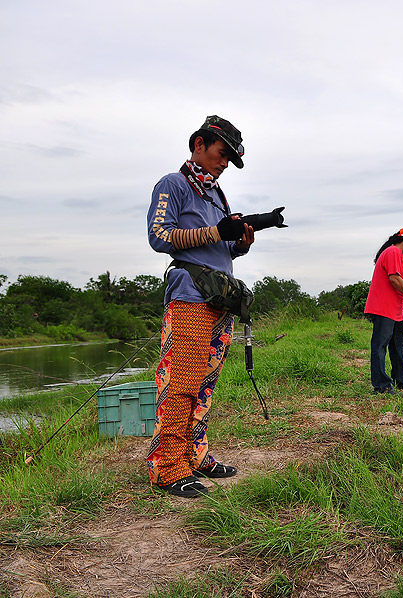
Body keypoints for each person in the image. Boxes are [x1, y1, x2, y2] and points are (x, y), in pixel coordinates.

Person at [145, 115, 254, 498]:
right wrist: (215, 232)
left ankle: (196, 453)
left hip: (219, 297)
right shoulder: (173, 184)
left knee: (205, 385)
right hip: (190, 296)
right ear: (199, 144)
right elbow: (160, 237)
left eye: (230, 159)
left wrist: (238, 243)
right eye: (222, 154)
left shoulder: (217, 195)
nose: (224, 164)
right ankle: (167, 467)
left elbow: (219, 250)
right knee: (183, 382)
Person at [363, 228, 403, 394]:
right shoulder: (393, 252)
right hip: (383, 308)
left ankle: (401, 380)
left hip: (395, 311)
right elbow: (394, 279)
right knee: (380, 346)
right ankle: (381, 386)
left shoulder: (394, 254)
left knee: (397, 345)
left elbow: (397, 283)